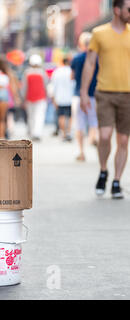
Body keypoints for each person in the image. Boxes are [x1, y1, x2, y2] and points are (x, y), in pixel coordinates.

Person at [80, 0, 130, 199]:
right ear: (117, 10)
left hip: (128, 94)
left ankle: (117, 181)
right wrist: (84, 92)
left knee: (124, 139)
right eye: (129, 9)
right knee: (104, 136)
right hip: (105, 93)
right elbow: (90, 63)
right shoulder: (99, 33)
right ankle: (103, 171)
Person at [71, 32, 99, 162]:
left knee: (79, 124)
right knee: (94, 121)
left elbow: (71, 77)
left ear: (81, 44)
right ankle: (94, 138)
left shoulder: (76, 59)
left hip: (78, 95)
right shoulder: (98, 58)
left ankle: (81, 152)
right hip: (93, 95)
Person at [21, 54, 49, 142]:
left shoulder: (27, 73)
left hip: (30, 98)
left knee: (31, 116)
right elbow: (46, 85)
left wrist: (23, 98)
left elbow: (24, 87)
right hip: (41, 98)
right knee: (39, 116)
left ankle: (33, 132)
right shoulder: (42, 73)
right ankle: (37, 133)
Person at [50, 57, 75, 142]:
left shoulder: (57, 72)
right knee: (70, 116)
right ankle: (68, 132)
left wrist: (53, 97)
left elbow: (53, 85)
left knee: (61, 116)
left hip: (59, 97)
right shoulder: (72, 71)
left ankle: (63, 134)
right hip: (71, 97)